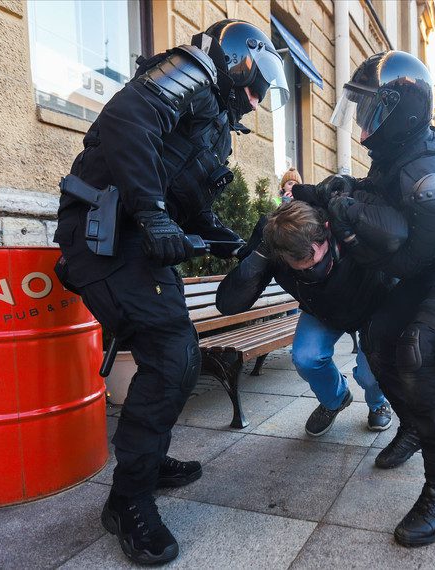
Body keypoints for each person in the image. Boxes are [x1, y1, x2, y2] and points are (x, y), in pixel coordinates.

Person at [53, 20, 289, 565]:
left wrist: (228, 240)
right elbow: (127, 122)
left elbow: (189, 200)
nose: (254, 104)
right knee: (172, 354)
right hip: (104, 237)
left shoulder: (213, 125)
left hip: (136, 242)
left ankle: (147, 460)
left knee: (175, 359)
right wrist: (155, 216)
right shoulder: (189, 72)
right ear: (236, 63)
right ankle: (128, 500)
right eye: (255, 89)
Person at [325, 51, 435, 547]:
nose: (362, 122)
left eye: (369, 109)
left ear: (398, 111)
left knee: (417, 352)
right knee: (379, 337)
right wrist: (340, 191)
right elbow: (381, 196)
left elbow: (404, 262)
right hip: (429, 265)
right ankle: (411, 424)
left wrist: (352, 226)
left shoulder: (428, 172)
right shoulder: (400, 153)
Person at [216, 201, 398, 438]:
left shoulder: (341, 220)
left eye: (321, 252)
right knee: (306, 358)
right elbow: (229, 303)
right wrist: (259, 255)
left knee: (371, 372)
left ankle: (378, 402)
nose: (317, 260)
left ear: (324, 228)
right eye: (307, 264)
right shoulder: (274, 244)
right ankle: (335, 399)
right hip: (322, 309)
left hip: (371, 306)